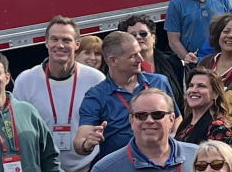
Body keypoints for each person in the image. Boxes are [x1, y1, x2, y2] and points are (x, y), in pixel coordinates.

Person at [15, 16, 105, 172]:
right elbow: (17, 131)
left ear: (77, 44)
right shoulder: (26, 80)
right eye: (54, 39)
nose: (60, 45)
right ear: (46, 42)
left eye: (66, 40)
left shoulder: (96, 79)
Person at [73, 29, 175, 159]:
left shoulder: (159, 82)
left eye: (139, 53)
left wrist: (173, 138)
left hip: (162, 161)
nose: (140, 59)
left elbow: (176, 117)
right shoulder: (96, 96)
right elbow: (80, 141)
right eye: (133, 56)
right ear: (113, 61)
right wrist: (87, 144)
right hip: (122, 166)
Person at [165, 0, 232, 67]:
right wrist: (186, 57)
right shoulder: (176, 3)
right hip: (196, 64)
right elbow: (173, 40)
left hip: (224, 60)